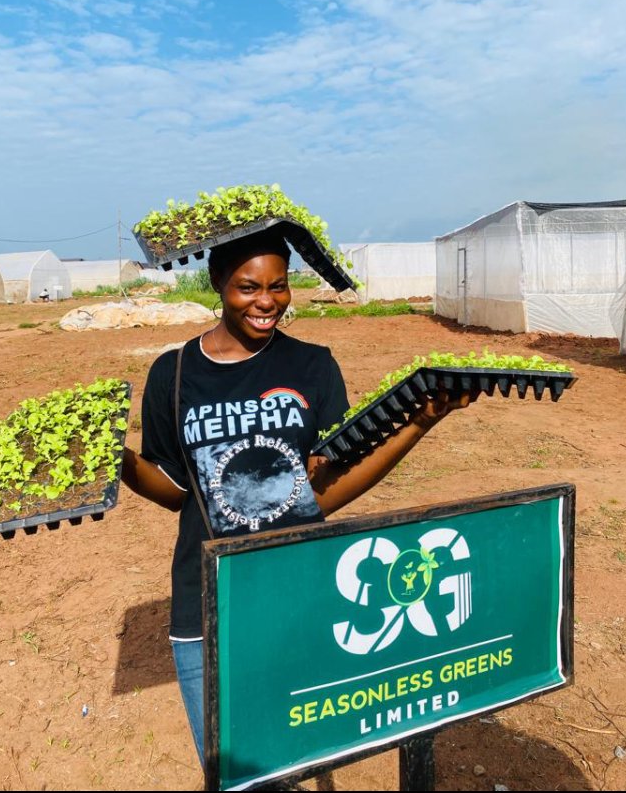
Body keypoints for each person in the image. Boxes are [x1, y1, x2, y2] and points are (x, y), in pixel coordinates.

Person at [121, 228, 470, 765]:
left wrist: (419, 424)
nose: (267, 302)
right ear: (217, 283)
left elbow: (324, 490)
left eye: (279, 286)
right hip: (207, 599)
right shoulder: (174, 373)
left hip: (300, 590)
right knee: (231, 764)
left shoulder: (312, 366)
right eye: (247, 287)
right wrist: (116, 461)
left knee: (296, 752)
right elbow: (173, 492)